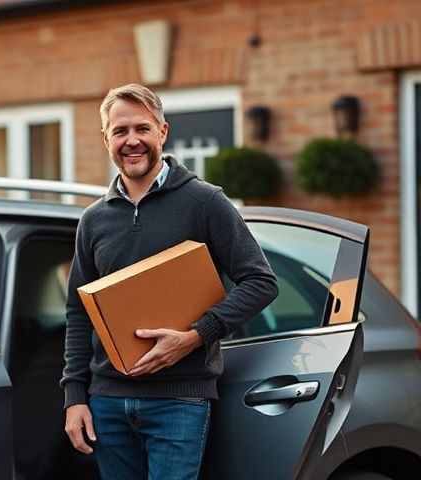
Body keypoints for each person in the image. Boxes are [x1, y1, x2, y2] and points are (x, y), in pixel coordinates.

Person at [60, 83, 279, 480]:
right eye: (120, 131)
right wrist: (74, 397)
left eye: (142, 129)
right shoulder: (93, 219)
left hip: (180, 400)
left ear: (162, 132)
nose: (132, 141)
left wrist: (195, 336)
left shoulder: (205, 202)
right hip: (107, 402)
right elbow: (79, 312)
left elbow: (260, 282)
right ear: (106, 138)